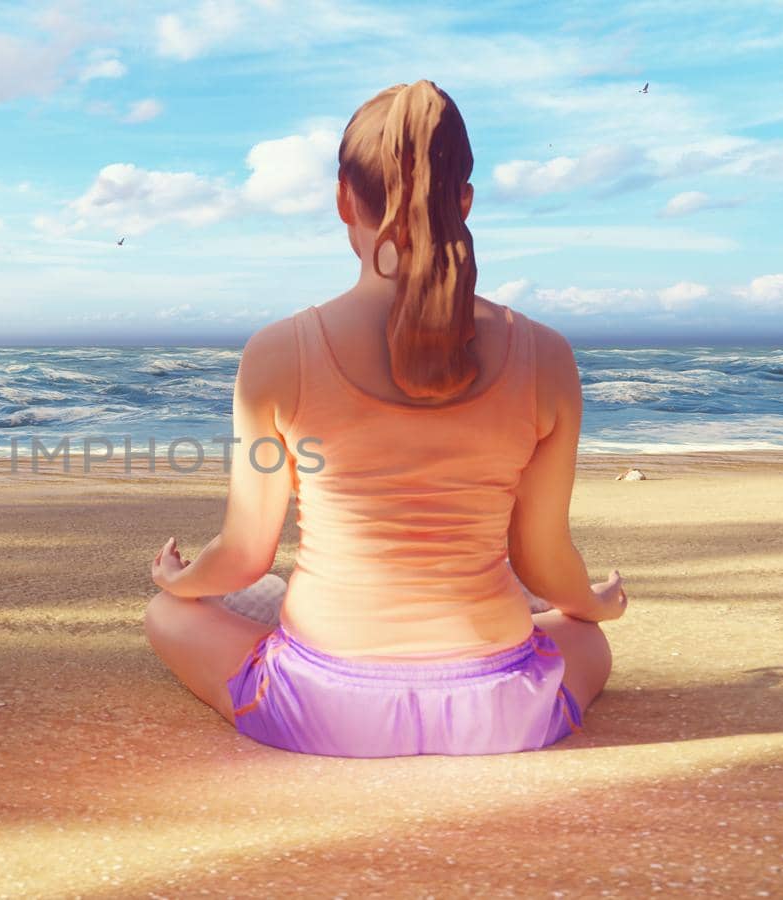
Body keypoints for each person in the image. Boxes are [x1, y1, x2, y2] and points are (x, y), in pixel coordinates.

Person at [143, 80, 628, 758]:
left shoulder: (279, 353)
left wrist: (180, 581)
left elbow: (245, 557)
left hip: (325, 708)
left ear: (344, 198)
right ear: (464, 200)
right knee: (584, 639)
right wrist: (593, 606)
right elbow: (542, 559)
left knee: (169, 615)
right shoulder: (545, 354)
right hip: (498, 709)